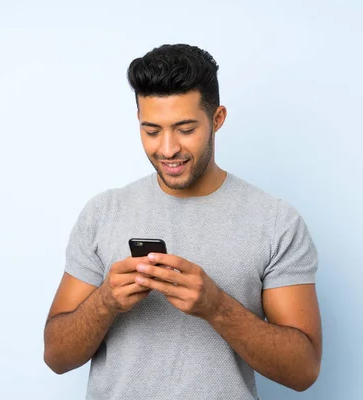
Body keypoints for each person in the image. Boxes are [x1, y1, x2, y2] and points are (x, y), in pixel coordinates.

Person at [43, 44, 322, 399]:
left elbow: (303, 371)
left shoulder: (276, 222)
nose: (168, 148)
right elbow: (56, 356)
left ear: (217, 119)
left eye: (185, 128)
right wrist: (105, 302)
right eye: (152, 130)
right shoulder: (103, 212)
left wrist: (217, 307)